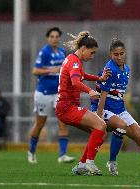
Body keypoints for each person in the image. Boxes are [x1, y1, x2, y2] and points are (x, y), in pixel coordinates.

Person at [91, 38, 140, 176]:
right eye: (116, 54)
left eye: (121, 53)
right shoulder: (109, 70)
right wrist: (98, 117)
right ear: (110, 55)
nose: (119, 57)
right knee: (120, 126)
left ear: (125, 53)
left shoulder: (126, 70)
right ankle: (111, 162)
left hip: (120, 110)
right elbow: (103, 95)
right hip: (104, 109)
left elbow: (118, 94)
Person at [55, 31, 112, 176]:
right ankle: (90, 163)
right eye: (91, 52)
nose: (92, 56)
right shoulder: (74, 61)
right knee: (101, 125)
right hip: (67, 107)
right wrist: (90, 91)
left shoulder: (73, 60)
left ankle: (81, 165)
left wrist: (100, 78)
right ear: (83, 48)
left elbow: (83, 76)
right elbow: (75, 81)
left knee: (100, 132)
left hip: (66, 107)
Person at [28, 27, 74, 164]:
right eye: (52, 36)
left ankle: (62, 155)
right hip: (44, 93)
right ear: (48, 38)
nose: (54, 38)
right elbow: (35, 70)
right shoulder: (45, 52)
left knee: (63, 122)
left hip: (58, 94)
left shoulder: (61, 52)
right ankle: (31, 151)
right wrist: (52, 70)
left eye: (56, 36)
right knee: (40, 124)